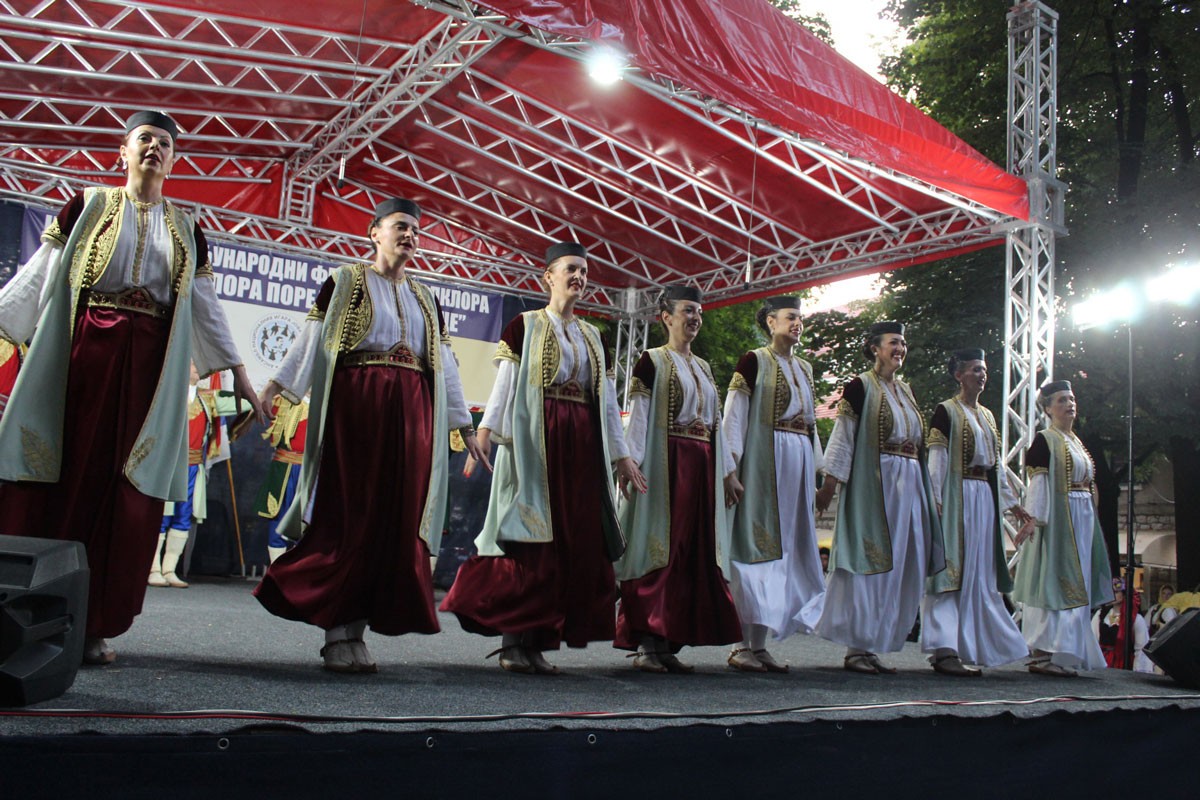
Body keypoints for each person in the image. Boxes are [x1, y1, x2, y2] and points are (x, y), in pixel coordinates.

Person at [0, 111, 264, 665]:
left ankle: (95, 624)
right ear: (122, 151)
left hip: (150, 368)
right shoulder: (89, 206)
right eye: (145, 139)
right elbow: (42, 272)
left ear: (175, 159)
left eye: (166, 143)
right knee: (68, 476)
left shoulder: (189, 227)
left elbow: (204, 307)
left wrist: (238, 371)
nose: (155, 148)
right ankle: (42, 614)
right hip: (84, 358)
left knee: (126, 489)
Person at [253, 198, 487, 674]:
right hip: (358, 410)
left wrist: (464, 423)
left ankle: (357, 632)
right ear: (374, 232)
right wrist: (278, 387)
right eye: (400, 226)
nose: (410, 235)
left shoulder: (427, 297)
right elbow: (312, 339)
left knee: (393, 522)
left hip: (413, 416)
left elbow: (444, 363)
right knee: (352, 516)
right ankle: (337, 631)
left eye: (416, 230)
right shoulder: (345, 282)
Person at [442, 242, 645, 675]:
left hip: (581, 447)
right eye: (571, 269)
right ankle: (513, 643)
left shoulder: (593, 336)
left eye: (585, 272)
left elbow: (607, 402)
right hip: (537, 443)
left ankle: (537, 643)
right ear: (547, 277)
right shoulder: (525, 326)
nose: (579, 277)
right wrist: (483, 433)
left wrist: (622, 456)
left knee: (568, 545)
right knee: (530, 542)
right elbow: (506, 385)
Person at [614, 285, 742, 673]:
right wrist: (629, 462)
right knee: (661, 550)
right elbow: (639, 415)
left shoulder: (703, 367)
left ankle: (671, 640)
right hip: (667, 465)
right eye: (688, 311)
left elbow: (716, 425)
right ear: (665, 317)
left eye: (699, 312)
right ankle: (649, 644)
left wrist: (727, 474)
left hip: (701, 467)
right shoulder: (650, 361)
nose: (695, 318)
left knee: (694, 554)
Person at [813, 321, 946, 674]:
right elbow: (843, 436)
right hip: (877, 483)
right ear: (875, 347)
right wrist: (830, 484)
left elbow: (917, 445)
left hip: (909, 484)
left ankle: (873, 644)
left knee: (902, 563)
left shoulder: (906, 391)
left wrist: (929, 494)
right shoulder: (859, 386)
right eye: (893, 343)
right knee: (870, 562)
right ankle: (856, 647)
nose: (900, 349)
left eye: (903, 343)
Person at [722, 296, 825, 673]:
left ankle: (760, 644)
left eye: (800, 317)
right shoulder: (754, 361)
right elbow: (735, 415)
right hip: (764, 462)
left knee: (785, 553)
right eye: (790, 317)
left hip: (796, 462)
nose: (797, 323)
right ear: (770, 322)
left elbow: (811, 425)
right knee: (755, 549)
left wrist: (817, 475)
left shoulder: (806, 369)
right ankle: (739, 644)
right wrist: (729, 469)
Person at [921, 349, 1031, 676]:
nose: (981, 375)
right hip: (958, 497)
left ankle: (967, 646)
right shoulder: (946, 411)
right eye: (974, 370)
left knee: (978, 574)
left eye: (983, 370)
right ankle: (944, 649)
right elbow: (937, 461)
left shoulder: (987, 416)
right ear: (958, 375)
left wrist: (1013, 505)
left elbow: (994, 468)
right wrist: (936, 502)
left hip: (982, 496)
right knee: (952, 570)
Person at [1013, 380, 1114, 677]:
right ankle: (1044, 652)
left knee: (1078, 579)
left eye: (1071, 399)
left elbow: (1088, 482)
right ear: (1047, 409)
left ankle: (1065, 651)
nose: (1069, 404)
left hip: (1082, 517)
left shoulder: (1076, 441)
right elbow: (1040, 483)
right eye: (1061, 400)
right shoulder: (1046, 440)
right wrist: (1034, 520)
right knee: (1054, 579)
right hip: (1059, 519)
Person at [149, 364, 245, 588]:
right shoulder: (169, 396)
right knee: (162, 517)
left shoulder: (207, 399)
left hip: (193, 467)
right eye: (191, 364)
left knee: (183, 517)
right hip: (169, 466)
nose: (195, 368)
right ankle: (152, 568)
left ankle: (169, 569)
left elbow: (245, 402)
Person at [252, 393, 309, 564]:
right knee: (278, 513)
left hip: (310, 469)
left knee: (305, 518)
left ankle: (297, 571)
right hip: (284, 468)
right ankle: (276, 568)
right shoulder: (281, 401)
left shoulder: (325, 406)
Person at [1093, 577, 1153, 672]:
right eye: (1110, 592)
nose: (1112, 595)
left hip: (1124, 665)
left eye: (1116, 592)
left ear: (1124, 595)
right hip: (1102, 664)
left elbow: (1141, 648)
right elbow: (1093, 641)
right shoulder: (1100, 615)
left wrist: (1139, 672)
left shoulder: (1135, 619)